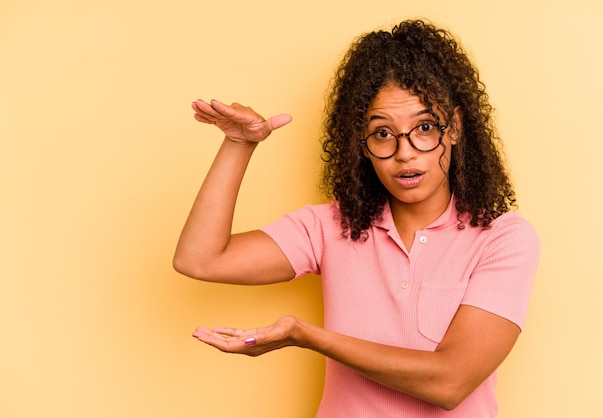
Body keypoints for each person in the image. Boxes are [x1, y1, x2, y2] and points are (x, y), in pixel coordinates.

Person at [173, 19, 540, 417]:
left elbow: (450, 381)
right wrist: (238, 143)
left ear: (454, 127)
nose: (405, 153)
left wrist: (309, 336)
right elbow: (200, 258)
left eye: (425, 128)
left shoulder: (502, 238)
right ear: (362, 145)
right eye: (383, 133)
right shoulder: (333, 226)